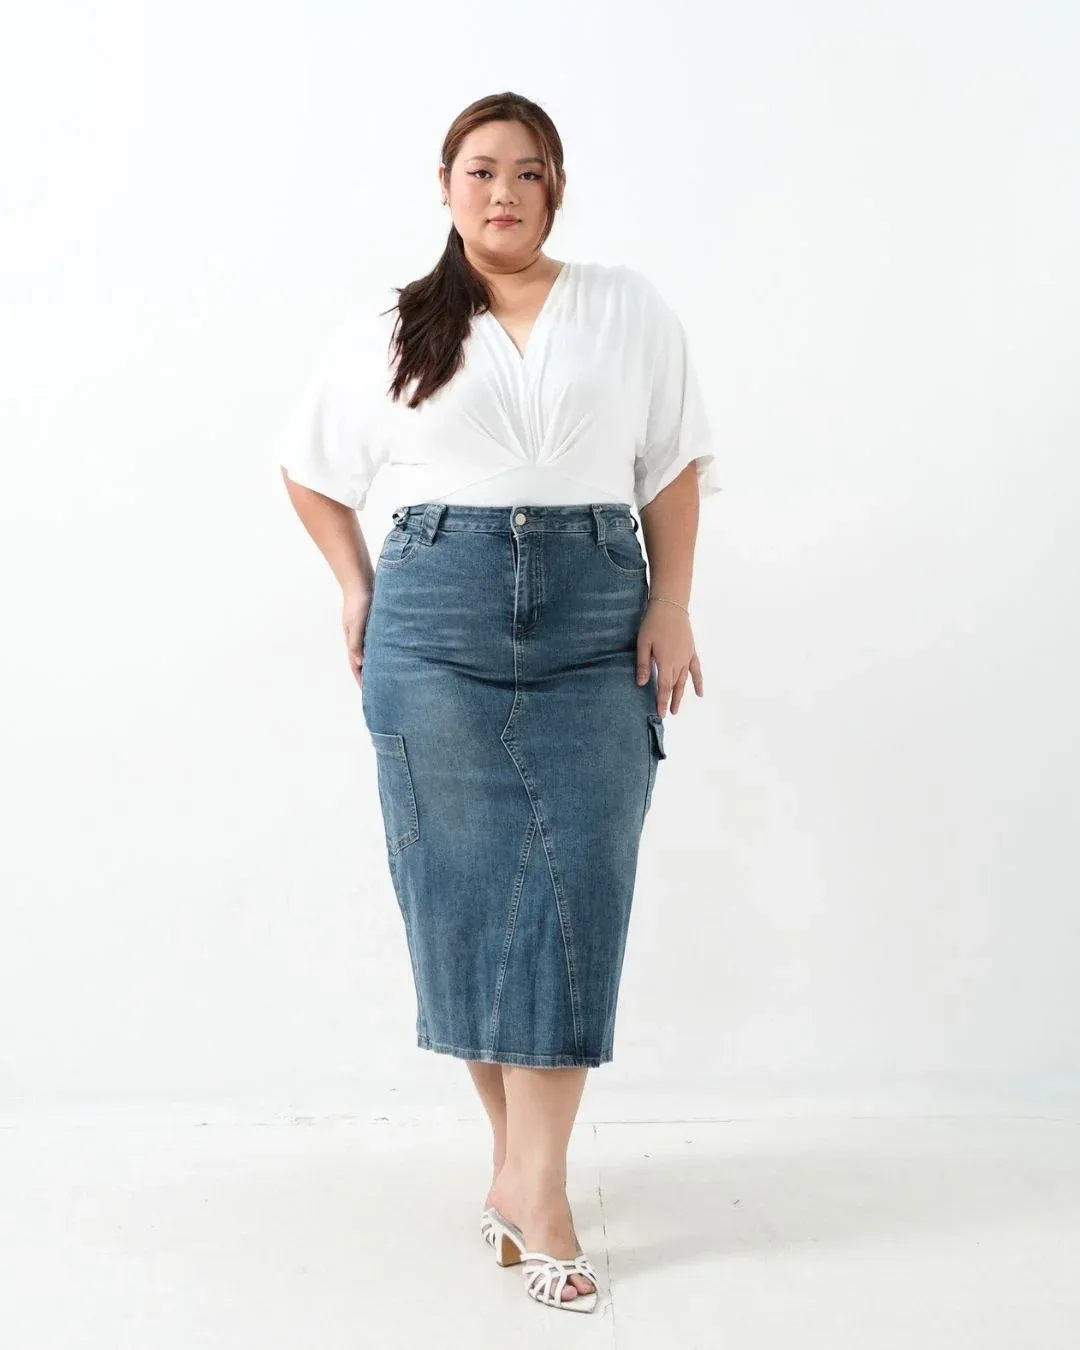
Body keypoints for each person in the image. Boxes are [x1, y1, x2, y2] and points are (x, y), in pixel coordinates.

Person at [276, 91, 721, 1313]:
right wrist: (358, 587)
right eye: (481, 170)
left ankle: (534, 1183)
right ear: (445, 186)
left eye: (529, 171)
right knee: (468, 901)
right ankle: (529, 1183)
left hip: (596, 619)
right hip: (434, 619)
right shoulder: (394, 324)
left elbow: (674, 466)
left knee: (576, 894)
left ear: (557, 187)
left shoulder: (626, 306)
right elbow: (309, 471)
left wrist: (672, 600)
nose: (504, 191)